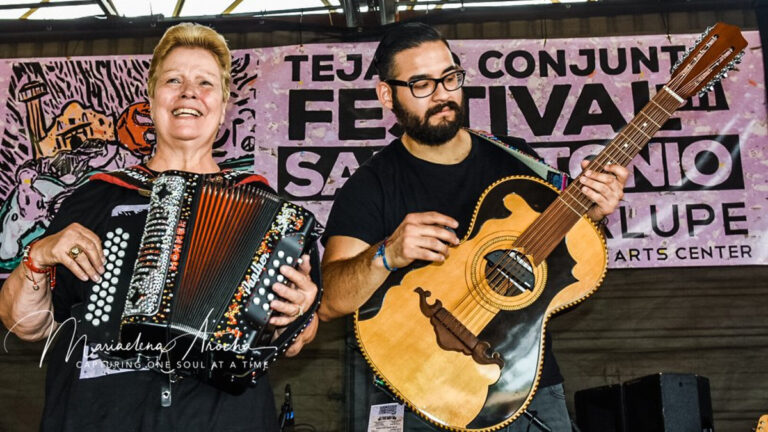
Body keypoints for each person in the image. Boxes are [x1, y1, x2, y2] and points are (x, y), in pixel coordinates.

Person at [0, 23, 319, 431]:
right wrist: (38, 257)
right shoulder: (94, 196)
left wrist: (300, 314)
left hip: (220, 420)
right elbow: (25, 325)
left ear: (222, 108)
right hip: (99, 417)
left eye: (205, 83)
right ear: (151, 101)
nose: (189, 92)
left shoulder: (270, 214)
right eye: (173, 80)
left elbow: (296, 339)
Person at [318, 22, 628, 431]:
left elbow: (568, 259)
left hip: (526, 388)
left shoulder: (518, 162)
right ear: (386, 94)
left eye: (450, 78)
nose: (443, 94)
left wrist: (596, 213)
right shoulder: (371, 185)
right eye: (422, 84)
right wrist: (386, 254)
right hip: (420, 398)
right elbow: (330, 301)